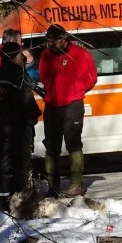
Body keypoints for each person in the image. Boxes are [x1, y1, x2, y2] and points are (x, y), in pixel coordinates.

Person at [0, 42, 42, 212]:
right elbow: (27, 101)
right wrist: (34, 115)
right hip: (15, 126)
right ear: (15, 56)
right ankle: (18, 200)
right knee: (18, 163)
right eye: (19, 55)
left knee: (2, 162)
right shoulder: (17, 75)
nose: (22, 58)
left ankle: (1, 199)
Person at [39, 24, 97, 197]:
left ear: (63, 40)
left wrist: (76, 91)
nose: (49, 45)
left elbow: (91, 78)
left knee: (73, 143)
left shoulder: (80, 54)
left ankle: (76, 184)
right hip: (52, 104)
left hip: (73, 104)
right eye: (48, 41)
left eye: (52, 41)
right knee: (51, 146)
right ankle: (52, 185)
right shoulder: (46, 55)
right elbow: (43, 75)